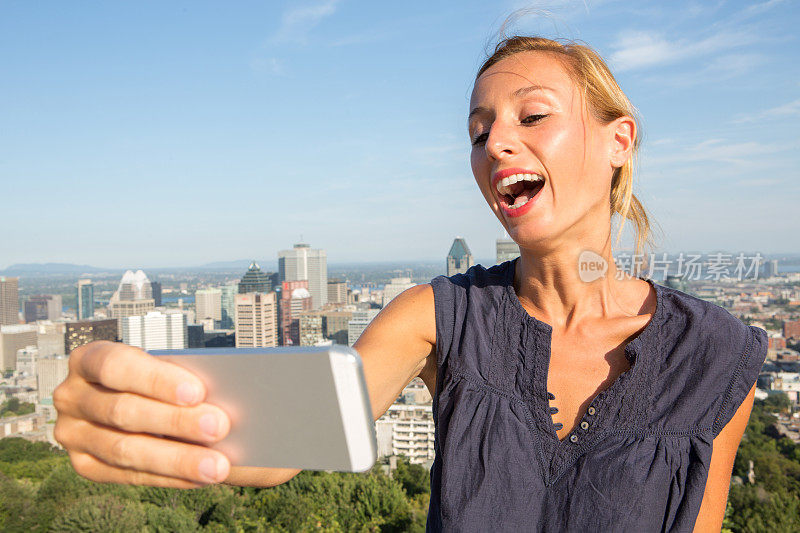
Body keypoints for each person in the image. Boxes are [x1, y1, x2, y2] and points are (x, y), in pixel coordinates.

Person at [53, 36, 768, 532]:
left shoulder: (719, 350)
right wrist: (137, 404)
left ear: (620, 141)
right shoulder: (438, 316)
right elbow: (279, 447)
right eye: (478, 130)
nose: (495, 145)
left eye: (533, 116)